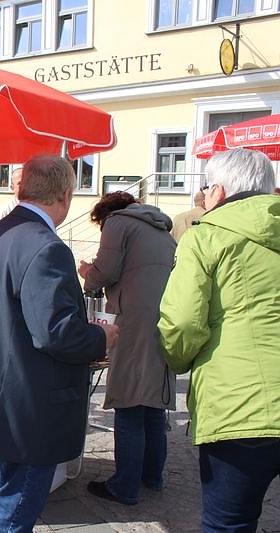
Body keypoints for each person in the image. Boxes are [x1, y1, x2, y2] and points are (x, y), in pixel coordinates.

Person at [0, 154, 119, 532]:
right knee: (14, 511)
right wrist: (102, 336)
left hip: (5, 396)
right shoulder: (46, 246)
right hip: (30, 404)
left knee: (10, 493)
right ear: (65, 194)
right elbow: (55, 332)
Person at [158, 148, 280, 532]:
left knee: (229, 522)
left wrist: (178, 362)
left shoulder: (206, 237)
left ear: (219, 191)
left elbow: (181, 323)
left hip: (240, 406)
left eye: (207, 186)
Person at [78, 191, 177, 505]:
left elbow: (106, 270)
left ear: (107, 213)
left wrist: (87, 275)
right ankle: (152, 475)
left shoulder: (119, 223)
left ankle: (124, 486)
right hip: (162, 319)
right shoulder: (161, 228)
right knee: (151, 404)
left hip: (133, 322)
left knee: (129, 402)